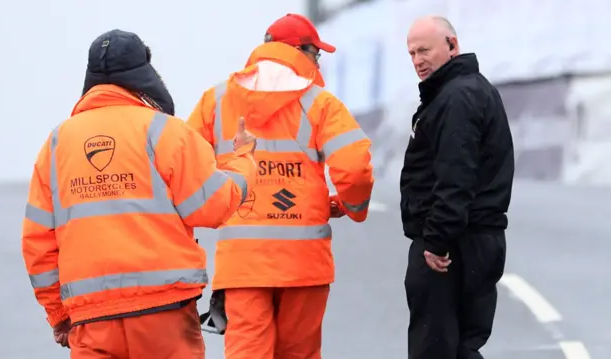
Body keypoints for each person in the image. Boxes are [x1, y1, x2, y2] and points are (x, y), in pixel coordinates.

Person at [21, 29, 257, 359]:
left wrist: (59, 315)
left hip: (92, 321)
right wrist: (243, 160)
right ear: (143, 73)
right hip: (165, 314)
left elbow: (37, 243)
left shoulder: (58, 144)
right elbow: (213, 206)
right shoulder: (165, 131)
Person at [187, 13, 375, 359]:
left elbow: (185, 168)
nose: (317, 62)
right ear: (298, 51)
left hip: (242, 265)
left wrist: (208, 214)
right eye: (315, 53)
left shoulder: (215, 101)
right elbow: (354, 169)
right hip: (303, 265)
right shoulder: (321, 104)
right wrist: (352, 207)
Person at [400, 16, 513, 359]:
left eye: (424, 50)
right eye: (411, 53)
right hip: (475, 239)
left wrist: (437, 240)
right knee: (462, 347)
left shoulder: (456, 97)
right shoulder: (467, 90)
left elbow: (456, 176)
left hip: (452, 247)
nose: (417, 60)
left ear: (452, 45)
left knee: (434, 348)